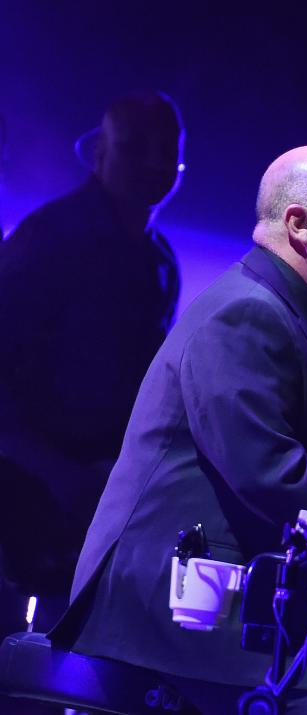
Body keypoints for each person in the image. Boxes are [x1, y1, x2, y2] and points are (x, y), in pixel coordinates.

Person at [50, 145, 307, 713]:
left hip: (213, 602)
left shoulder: (285, 311)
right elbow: (265, 468)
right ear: (300, 225)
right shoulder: (247, 312)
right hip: (164, 611)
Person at [0, 91, 184, 628]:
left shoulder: (158, 260)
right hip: (25, 492)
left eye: (166, 149)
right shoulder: (50, 239)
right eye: (135, 147)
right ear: (100, 152)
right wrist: (56, 473)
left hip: (89, 496)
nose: (154, 162)